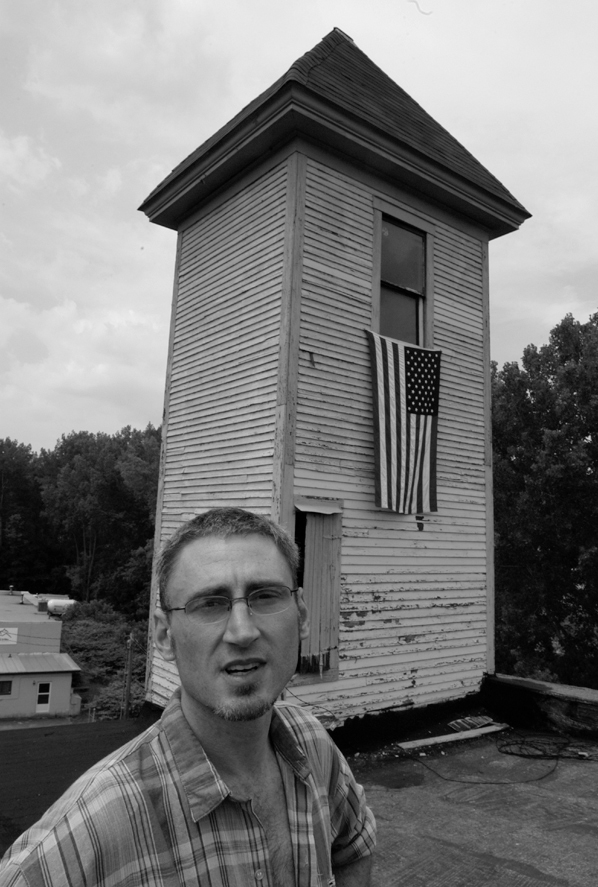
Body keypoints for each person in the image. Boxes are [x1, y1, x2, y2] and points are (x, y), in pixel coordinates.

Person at [0, 507, 376, 886]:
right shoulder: (96, 825)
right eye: (209, 604)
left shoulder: (313, 745)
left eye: (265, 596)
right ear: (164, 636)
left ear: (302, 616)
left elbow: (354, 847)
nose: (242, 632)